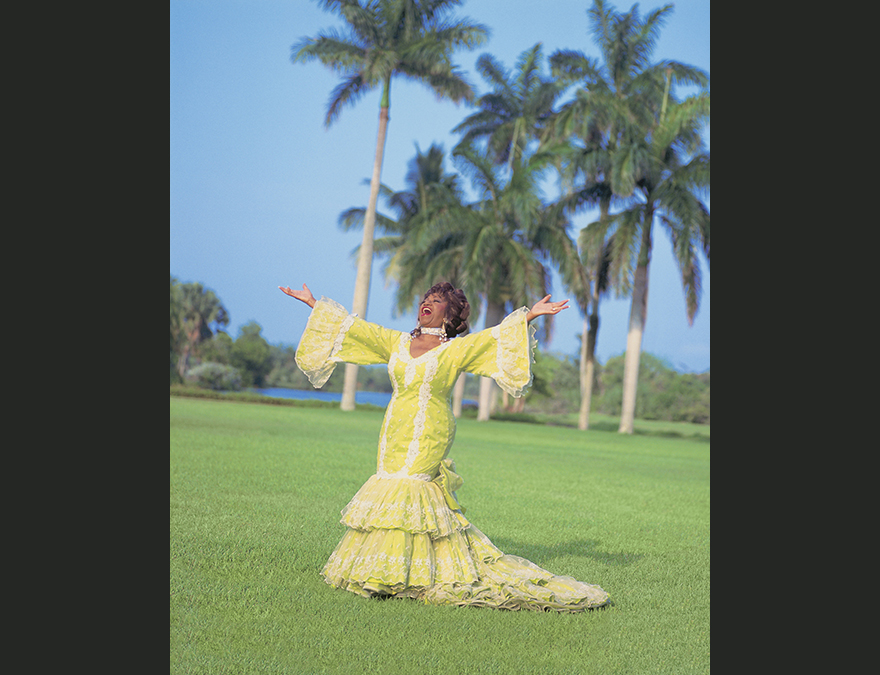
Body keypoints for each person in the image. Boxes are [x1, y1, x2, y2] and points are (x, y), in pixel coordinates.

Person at [279, 281, 609, 611]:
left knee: (411, 487)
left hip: (431, 430)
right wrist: (313, 303)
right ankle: (382, 573)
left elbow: (491, 338)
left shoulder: (455, 349)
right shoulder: (395, 342)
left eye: (436, 301)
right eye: (425, 298)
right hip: (394, 428)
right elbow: (356, 329)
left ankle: (407, 575)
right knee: (389, 486)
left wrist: (528, 317)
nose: (427, 302)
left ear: (449, 314)